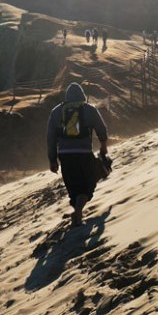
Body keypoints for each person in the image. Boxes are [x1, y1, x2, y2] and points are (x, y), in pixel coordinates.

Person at [46, 82, 109, 226]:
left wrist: (52, 159)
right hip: (84, 153)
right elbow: (101, 128)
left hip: (65, 156)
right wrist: (103, 145)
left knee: (73, 186)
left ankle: (77, 210)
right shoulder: (89, 109)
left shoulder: (56, 111)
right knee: (88, 184)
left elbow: (50, 138)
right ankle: (79, 210)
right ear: (82, 96)